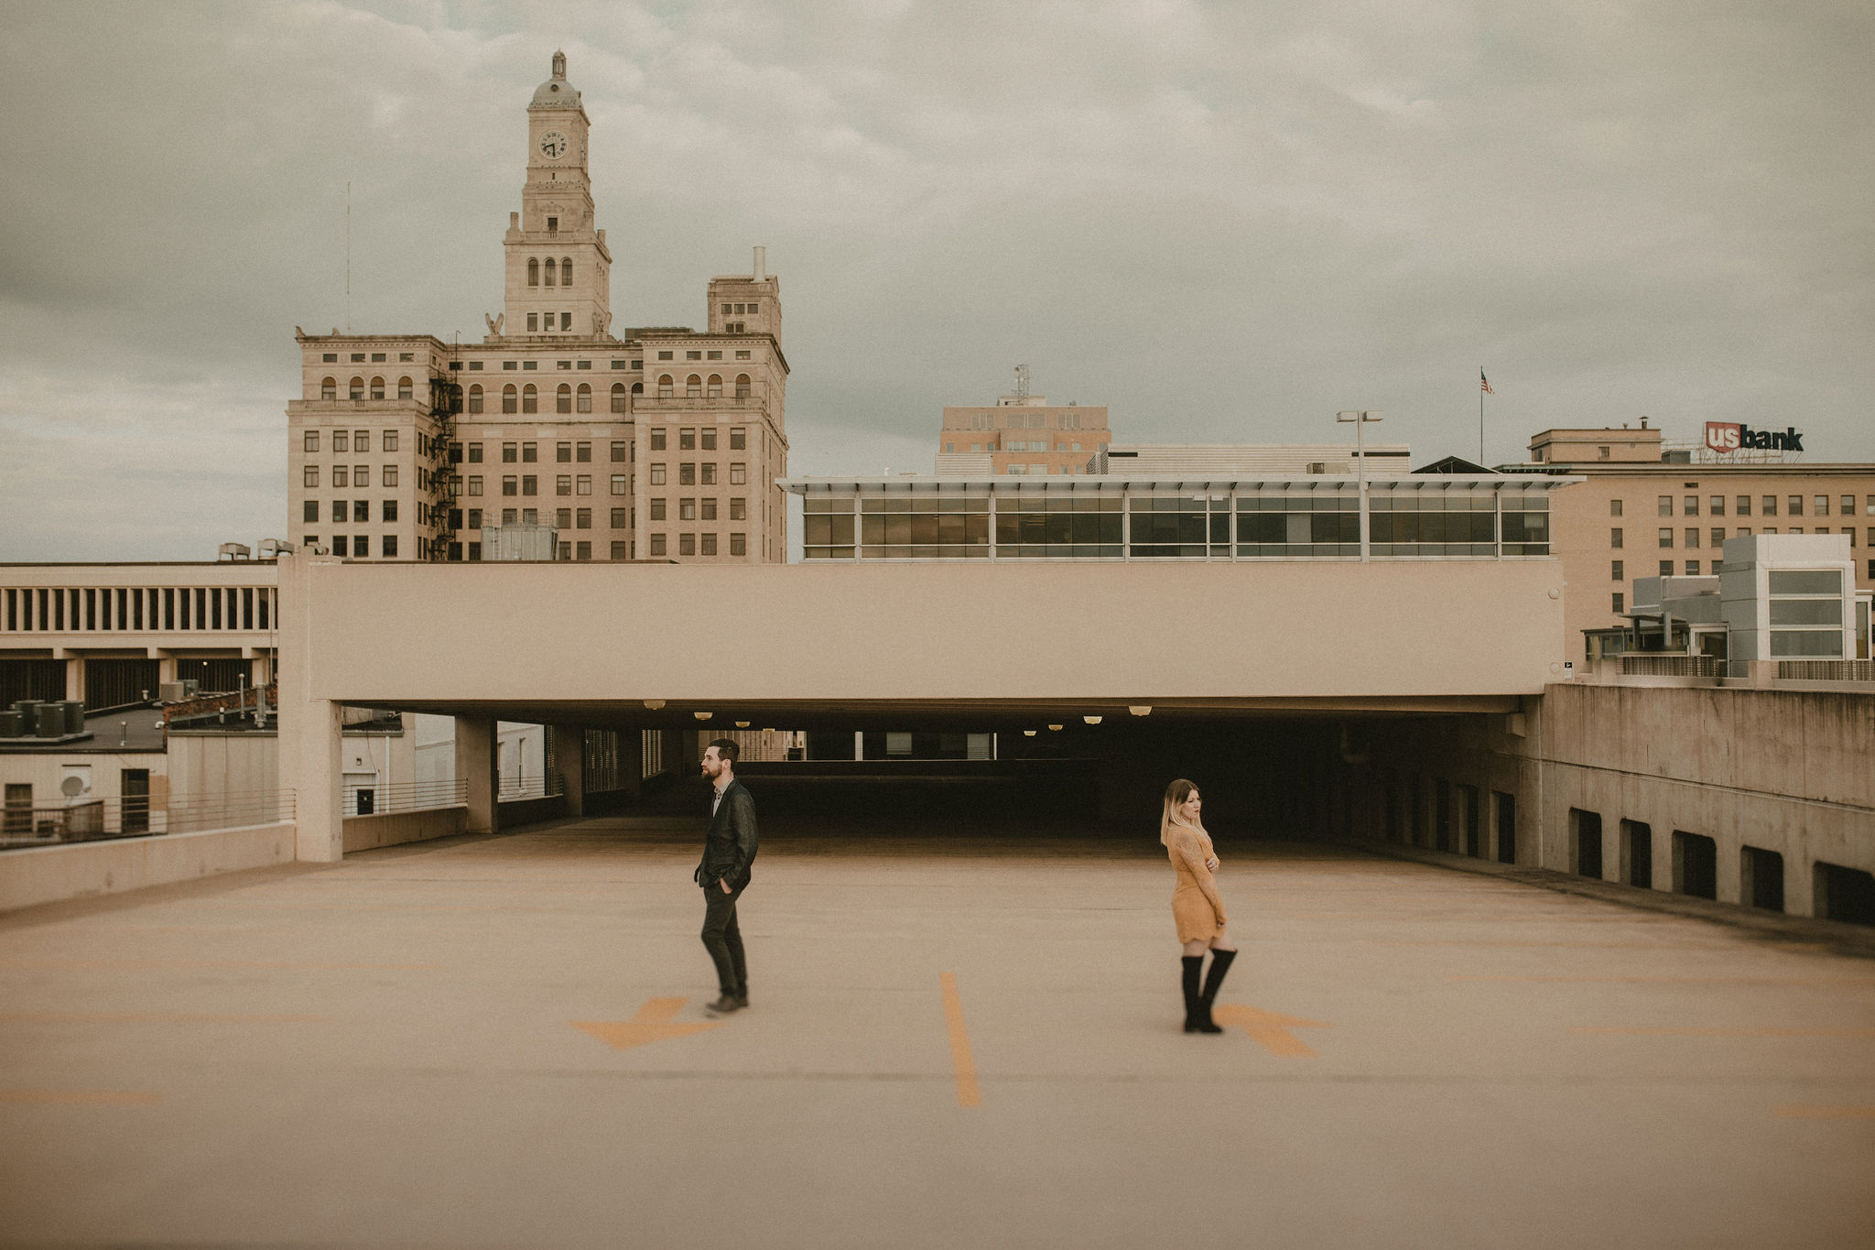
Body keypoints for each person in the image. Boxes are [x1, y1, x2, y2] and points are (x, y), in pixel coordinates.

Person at [1162, 778, 1235, 1033]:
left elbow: (1207, 862)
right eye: (1190, 801)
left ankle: (1200, 1012)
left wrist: (1215, 859)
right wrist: (1221, 910)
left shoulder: (1194, 830)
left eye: (1197, 799)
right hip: (1193, 899)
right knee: (1194, 958)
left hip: (1200, 897)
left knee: (1225, 952)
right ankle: (1195, 1016)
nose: (1197, 805)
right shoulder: (1182, 834)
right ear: (1177, 806)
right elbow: (1202, 877)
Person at [695, 738, 758, 1014]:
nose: (703, 762)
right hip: (713, 876)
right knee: (730, 934)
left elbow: (749, 844)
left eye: (709, 758)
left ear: (725, 763)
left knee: (711, 934)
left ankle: (729, 993)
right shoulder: (718, 795)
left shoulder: (739, 798)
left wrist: (729, 880)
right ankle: (741, 992)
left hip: (726, 879)